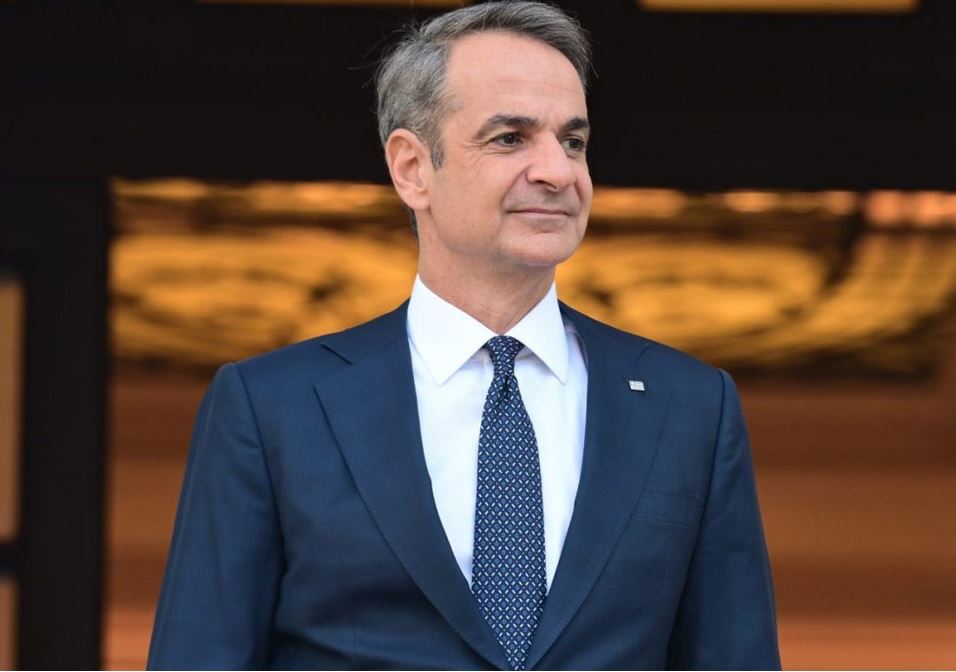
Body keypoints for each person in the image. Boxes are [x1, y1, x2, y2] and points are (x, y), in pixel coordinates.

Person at [147, 2, 780, 669]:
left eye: (572, 141)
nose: (558, 171)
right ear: (412, 168)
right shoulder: (272, 407)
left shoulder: (689, 407)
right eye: (510, 138)